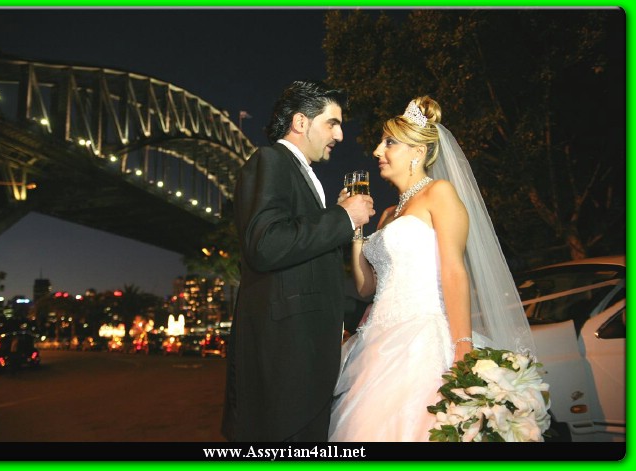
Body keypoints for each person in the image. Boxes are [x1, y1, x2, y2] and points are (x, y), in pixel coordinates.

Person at [328, 96, 535, 442]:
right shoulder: (388, 214)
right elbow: (366, 288)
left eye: (389, 143)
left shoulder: (439, 193)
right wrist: (356, 229)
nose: (378, 151)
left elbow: (454, 271)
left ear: (418, 152)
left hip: (422, 338)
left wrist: (463, 345)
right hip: (378, 343)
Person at [221, 80, 376, 442]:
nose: (339, 135)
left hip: (306, 355)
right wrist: (343, 217)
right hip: (286, 358)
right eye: (332, 123)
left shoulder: (301, 172)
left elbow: (304, 261)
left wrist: (337, 217)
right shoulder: (270, 160)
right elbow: (265, 244)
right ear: (300, 122)